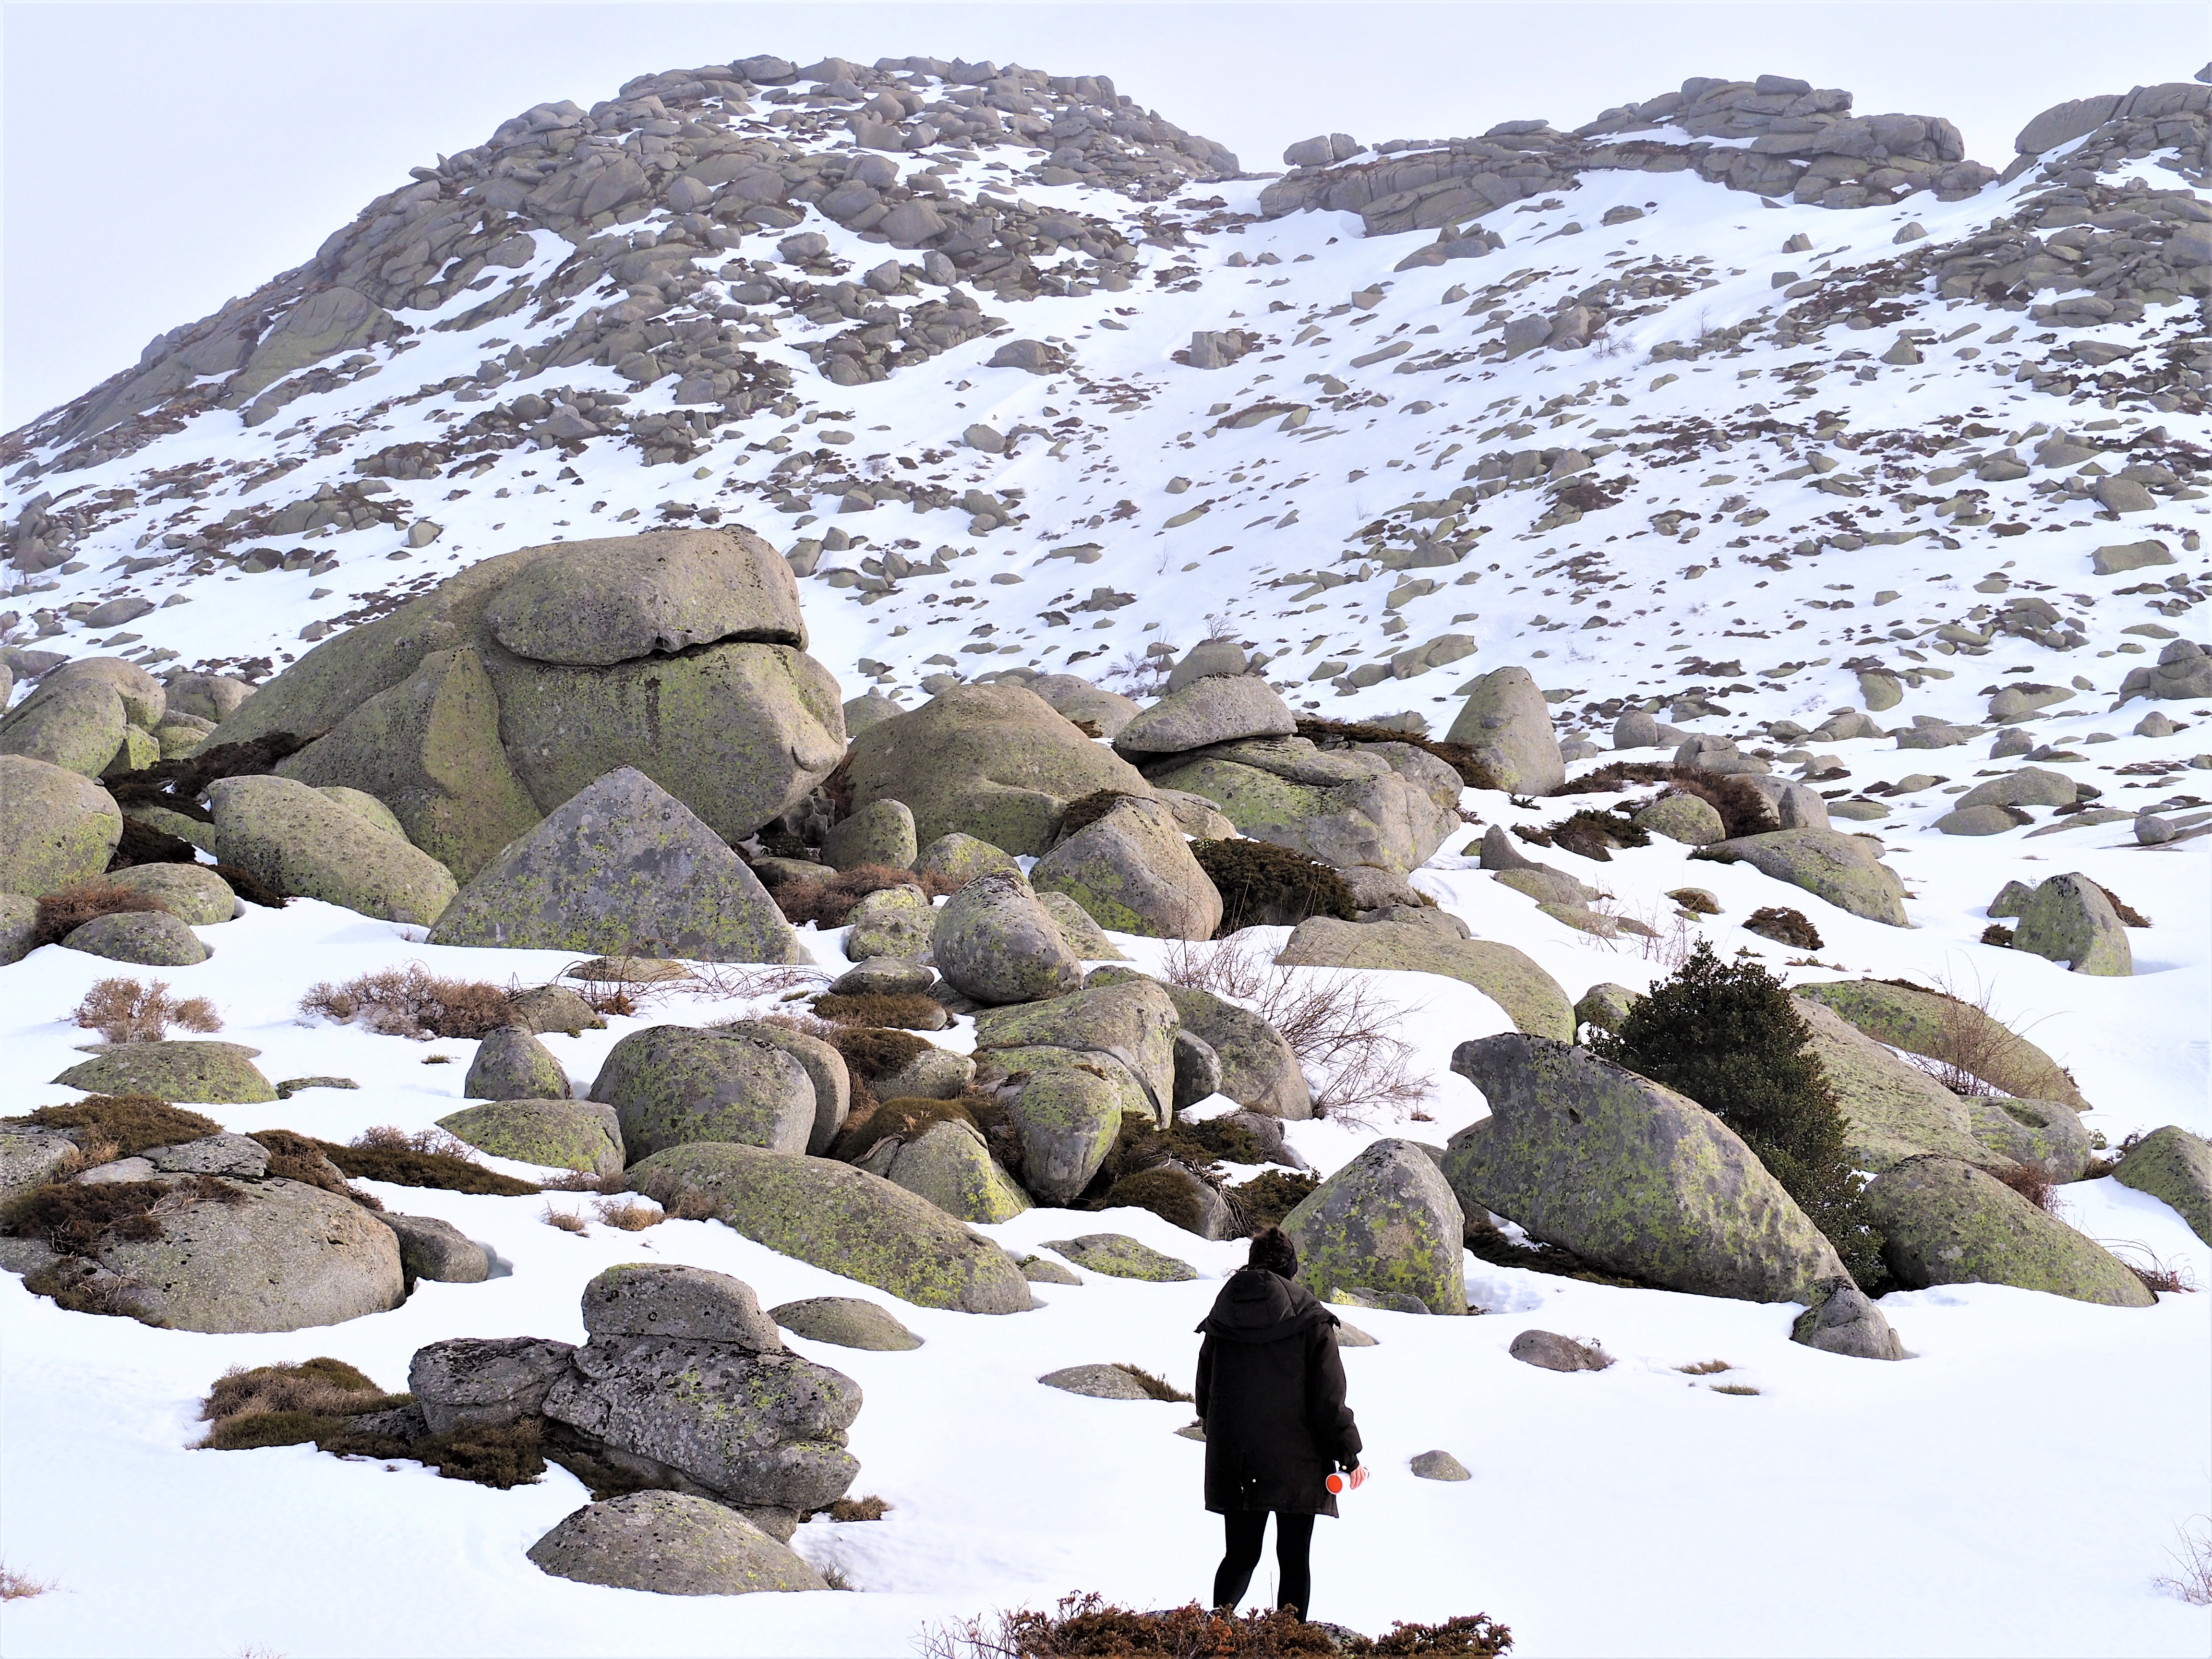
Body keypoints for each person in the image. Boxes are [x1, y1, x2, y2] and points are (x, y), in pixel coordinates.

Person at [1194, 1225, 1365, 1621]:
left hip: (1236, 1458)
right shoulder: (1311, 1318)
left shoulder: (1223, 1316)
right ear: (1291, 1268)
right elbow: (1328, 1399)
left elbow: (1205, 1395)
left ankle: (1215, 1633)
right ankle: (1288, 1642)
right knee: (1293, 1558)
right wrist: (1349, 1453)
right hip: (1298, 1460)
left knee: (1239, 1556)